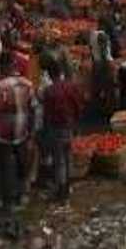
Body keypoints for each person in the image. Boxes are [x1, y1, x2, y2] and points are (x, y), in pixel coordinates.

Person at [0, 51, 38, 219]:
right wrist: (31, 131)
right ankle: (22, 196)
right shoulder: (27, 84)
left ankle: (8, 202)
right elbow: (33, 109)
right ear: (14, 65)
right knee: (21, 164)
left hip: (3, 133)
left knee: (4, 167)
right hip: (22, 130)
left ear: (2, 66)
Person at [39, 59, 83, 204]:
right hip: (69, 126)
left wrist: (44, 131)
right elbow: (78, 106)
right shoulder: (71, 87)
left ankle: (62, 192)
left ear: (50, 76)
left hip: (55, 128)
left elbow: (46, 114)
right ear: (62, 73)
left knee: (59, 161)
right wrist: (76, 123)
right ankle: (67, 186)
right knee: (68, 156)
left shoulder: (49, 91)